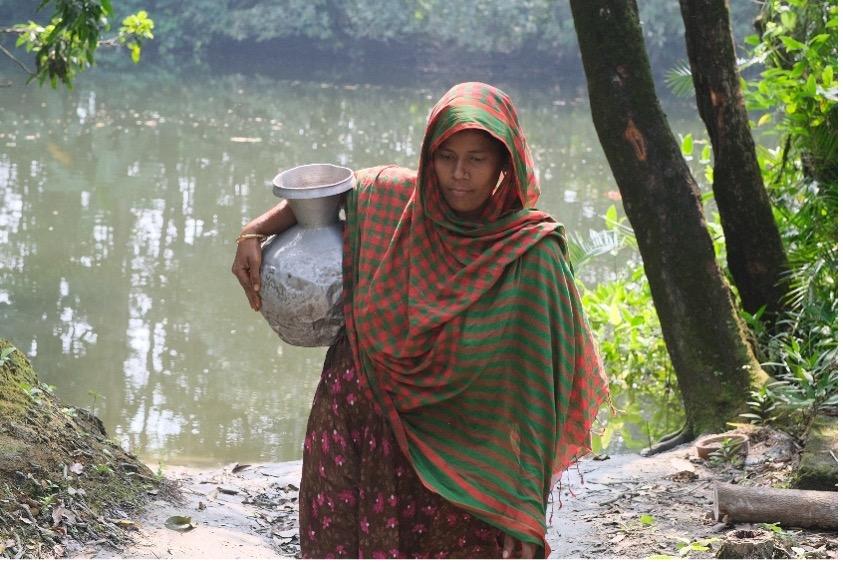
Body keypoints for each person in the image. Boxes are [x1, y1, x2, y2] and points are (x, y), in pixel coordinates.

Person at [232, 82, 608, 558]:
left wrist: (524, 508)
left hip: (457, 459)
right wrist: (253, 232)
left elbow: (538, 393)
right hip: (354, 428)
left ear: (505, 163)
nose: (459, 174)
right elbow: (320, 198)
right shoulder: (392, 201)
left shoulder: (530, 254)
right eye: (445, 157)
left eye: (476, 159)